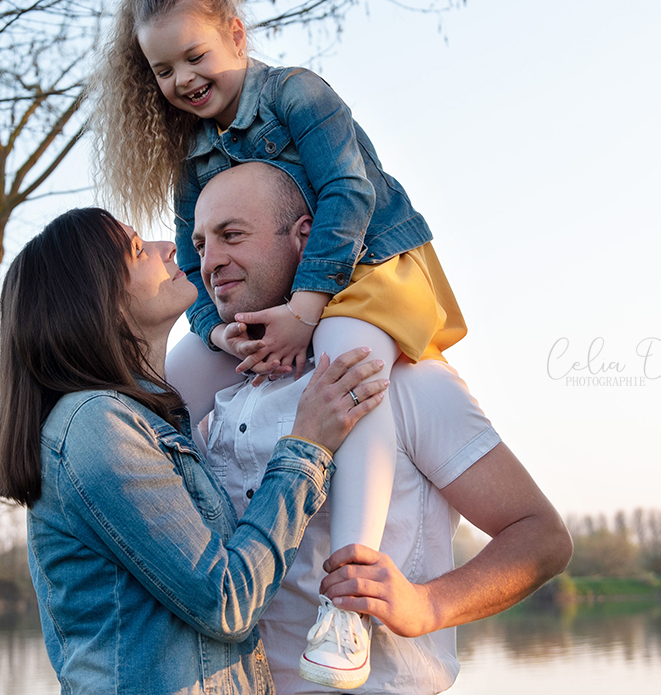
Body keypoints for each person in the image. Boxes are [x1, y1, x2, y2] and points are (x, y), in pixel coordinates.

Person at [93, 0, 466, 687]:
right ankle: (173, 555)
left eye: (195, 56)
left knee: (344, 357)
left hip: (369, 269)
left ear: (235, 35)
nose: (183, 80)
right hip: (279, 301)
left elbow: (345, 192)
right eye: (163, 70)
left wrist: (304, 309)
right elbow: (199, 267)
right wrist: (216, 329)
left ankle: (348, 604)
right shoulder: (192, 155)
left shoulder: (296, 93)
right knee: (183, 372)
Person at [192, 163, 573, 694]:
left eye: (231, 235)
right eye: (202, 242)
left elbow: (541, 536)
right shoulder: (221, 400)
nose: (210, 261)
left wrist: (428, 604)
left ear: (306, 238)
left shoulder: (401, 380)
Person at [0, 207, 390, 695]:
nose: (169, 249)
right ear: (95, 297)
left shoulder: (149, 421)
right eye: (137, 249)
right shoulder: (96, 425)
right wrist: (307, 446)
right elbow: (227, 600)